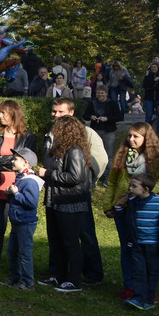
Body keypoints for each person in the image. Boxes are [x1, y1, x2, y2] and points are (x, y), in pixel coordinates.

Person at [103, 122, 159, 301]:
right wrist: (109, 205)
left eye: (136, 136)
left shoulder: (157, 158)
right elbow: (112, 181)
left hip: (146, 210)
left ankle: (147, 288)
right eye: (129, 136)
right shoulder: (123, 155)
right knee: (127, 248)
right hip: (124, 208)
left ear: (146, 138)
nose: (131, 140)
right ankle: (130, 286)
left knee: (146, 249)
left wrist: (145, 191)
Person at [44, 97, 107, 284]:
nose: (56, 115)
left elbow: (99, 161)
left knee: (83, 234)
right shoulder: (52, 133)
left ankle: (92, 273)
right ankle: (57, 271)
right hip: (56, 193)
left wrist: (87, 181)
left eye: (61, 112)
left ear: (71, 112)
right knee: (57, 235)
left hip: (76, 194)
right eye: (54, 112)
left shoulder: (85, 134)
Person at [109, 172, 159, 310]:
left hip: (154, 245)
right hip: (137, 244)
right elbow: (123, 218)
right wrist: (118, 206)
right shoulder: (132, 203)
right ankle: (139, 298)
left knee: (152, 271)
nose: (130, 189)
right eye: (130, 186)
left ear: (145, 189)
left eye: (134, 186)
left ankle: (150, 298)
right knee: (138, 271)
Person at [35, 116, 95, 292]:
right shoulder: (58, 149)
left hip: (69, 202)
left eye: (58, 129)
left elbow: (76, 177)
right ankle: (59, 275)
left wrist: (48, 174)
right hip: (55, 201)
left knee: (70, 242)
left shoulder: (75, 151)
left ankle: (74, 280)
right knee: (56, 241)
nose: (54, 131)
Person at [0, 100, 36, 281]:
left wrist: (2, 158)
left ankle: (19, 268)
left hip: (18, 186)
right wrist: (13, 159)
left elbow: (27, 160)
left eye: (3, 113)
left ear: (13, 114)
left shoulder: (27, 137)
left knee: (18, 228)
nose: (0, 116)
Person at [3, 148, 43, 290]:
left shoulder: (30, 181)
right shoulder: (20, 178)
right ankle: (15, 278)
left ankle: (27, 281)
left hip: (25, 223)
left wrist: (16, 193)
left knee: (24, 253)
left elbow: (31, 203)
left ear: (25, 163)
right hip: (17, 221)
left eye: (16, 159)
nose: (12, 161)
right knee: (12, 250)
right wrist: (9, 194)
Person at [83, 86, 124, 172]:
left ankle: (107, 175)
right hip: (95, 130)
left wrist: (107, 119)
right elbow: (85, 116)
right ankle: (93, 172)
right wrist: (91, 117)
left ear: (106, 93)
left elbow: (119, 117)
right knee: (92, 153)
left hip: (108, 131)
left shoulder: (112, 103)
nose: (100, 95)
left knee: (108, 154)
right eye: (98, 93)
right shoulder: (92, 103)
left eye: (102, 93)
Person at [142, 64, 159, 128]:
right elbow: (145, 86)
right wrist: (153, 81)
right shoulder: (147, 77)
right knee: (149, 114)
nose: (153, 68)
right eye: (152, 67)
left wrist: (150, 88)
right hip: (149, 98)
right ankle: (146, 129)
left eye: (155, 67)